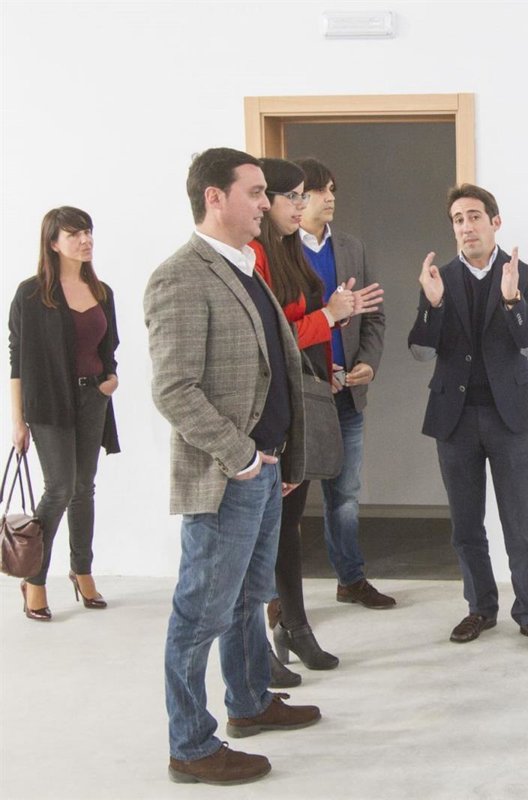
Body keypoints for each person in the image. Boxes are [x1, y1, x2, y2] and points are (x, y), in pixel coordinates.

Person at [145, 147, 320, 786]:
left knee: (249, 597)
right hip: (227, 475)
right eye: (255, 192)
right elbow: (174, 389)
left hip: (265, 469)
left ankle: (248, 702)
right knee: (200, 614)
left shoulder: (244, 267)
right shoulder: (181, 276)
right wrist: (242, 454)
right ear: (214, 197)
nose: (266, 204)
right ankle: (190, 746)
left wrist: (281, 455)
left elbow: (273, 368)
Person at [407, 183, 528, 651]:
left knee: (521, 524)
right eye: (458, 219)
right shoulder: (439, 278)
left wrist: (513, 302)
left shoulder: (525, 274)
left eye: (474, 216)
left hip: (510, 417)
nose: (466, 226)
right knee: (466, 525)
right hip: (454, 420)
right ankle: (480, 607)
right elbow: (420, 351)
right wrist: (433, 306)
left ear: (495, 222)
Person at [249, 158, 383, 686]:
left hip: (304, 402)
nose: (304, 204)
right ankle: (271, 635)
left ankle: (295, 626)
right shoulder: (256, 254)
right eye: (296, 196)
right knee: (265, 532)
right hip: (271, 412)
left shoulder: (288, 253)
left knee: (287, 525)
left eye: (309, 194)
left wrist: (333, 346)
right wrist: (329, 315)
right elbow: (277, 337)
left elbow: (302, 332)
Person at [8, 206, 119, 620]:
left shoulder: (102, 291)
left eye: (88, 232)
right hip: (49, 404)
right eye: (74, 234)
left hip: (93, 398)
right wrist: (18, 421)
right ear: (53, 243)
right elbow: (17, 360)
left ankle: (82, 570)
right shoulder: (31, 294)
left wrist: (111, 378)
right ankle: (34, 579)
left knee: (84, 487)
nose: (85, 240)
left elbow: (109, 347)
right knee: (59, 488)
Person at [293, 157, 392, 609]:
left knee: (346, 496)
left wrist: (368, 363)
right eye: (319, 189)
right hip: (299, 396)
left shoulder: (352, 247)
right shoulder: (276, 250)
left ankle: (350, 579)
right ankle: (280, 594)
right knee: (287, 501)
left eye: (332, 189)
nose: (329, 197)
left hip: (347, 395)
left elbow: (374, 317)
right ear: (297, 197)